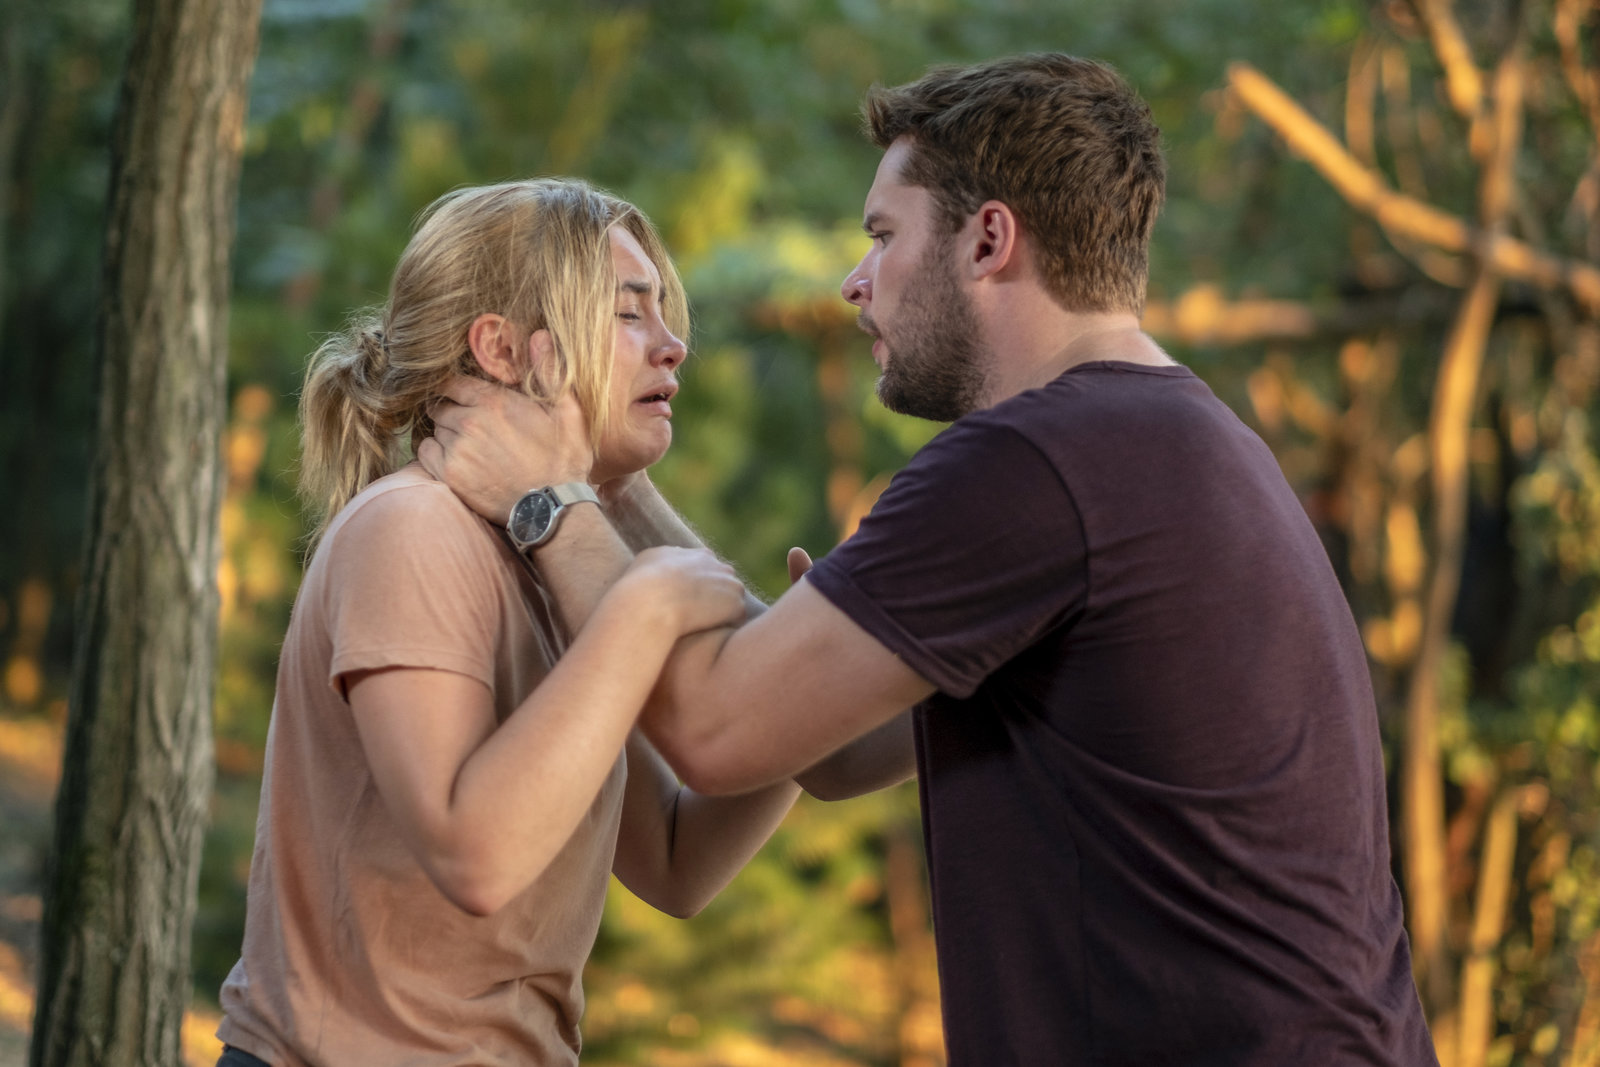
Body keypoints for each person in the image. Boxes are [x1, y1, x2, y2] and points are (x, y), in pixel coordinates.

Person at [424, 55, 1438, 1065]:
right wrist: (614, 485)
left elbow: (715, 731)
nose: (854, 280)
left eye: (883, 236)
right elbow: (823, 751)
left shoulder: (1035, 462)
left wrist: (546, 496)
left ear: (987, 240)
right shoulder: (1175, 440)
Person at [214, 178, 801, 1067]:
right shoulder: (411, 527)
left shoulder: (540, 557)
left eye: (661, 311)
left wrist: (806, 711)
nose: (672, 342)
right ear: (501, 347)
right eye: (628, 312)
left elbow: (677, 859)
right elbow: (475, 855)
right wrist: (644, 607)